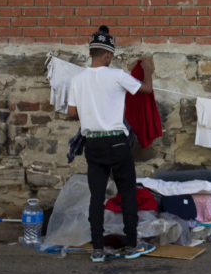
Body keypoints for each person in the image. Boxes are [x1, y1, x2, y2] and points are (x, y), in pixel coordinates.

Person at [67, 25, 157, 261]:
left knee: (96, 197)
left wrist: (91, 111)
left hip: (93, 144)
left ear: (91, 53)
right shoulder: (116, 75)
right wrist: (147, 70)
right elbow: (145, 90)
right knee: (127, 193)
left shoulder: (77, 80)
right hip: (116, 143)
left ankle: (97, 249)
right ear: (107, 55)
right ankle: (131, 245)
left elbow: (71, 113)